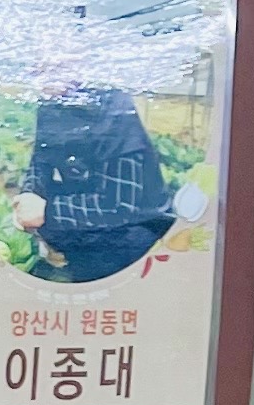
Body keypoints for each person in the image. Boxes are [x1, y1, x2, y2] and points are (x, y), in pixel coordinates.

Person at [12, 81, 172, 282]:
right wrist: (29, 194)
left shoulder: (115, 110)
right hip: (88, 221)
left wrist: (48, 211)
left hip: (135, 234)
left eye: (48, 67)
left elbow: (118, 206)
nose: (38, 74)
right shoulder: (52, 102)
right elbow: (41, 160)